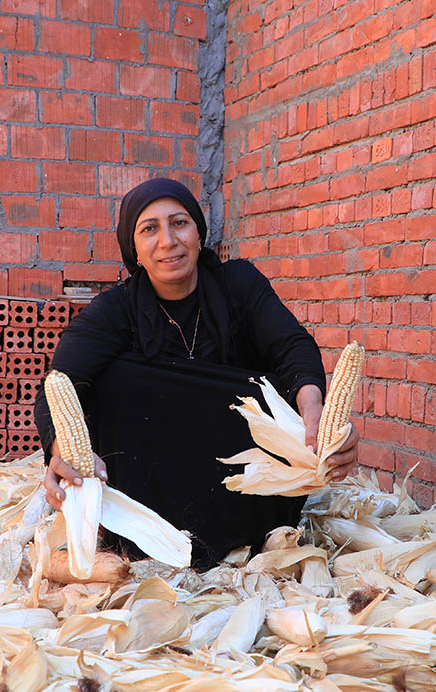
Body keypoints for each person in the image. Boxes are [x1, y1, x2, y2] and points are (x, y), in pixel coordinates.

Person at [34, 177, 359, 569]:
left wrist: (316, 416)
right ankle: (148, 543)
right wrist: (60, 453)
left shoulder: (238, 284)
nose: (168, 240)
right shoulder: (114, 311)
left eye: (180, 223)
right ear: (133, 249)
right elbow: (59, 385)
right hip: (152, 497)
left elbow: (291, 346)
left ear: (199, 233)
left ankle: (248, 541)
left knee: (269, 390)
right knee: (115, 379)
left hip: (246, 495)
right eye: (149, 229)